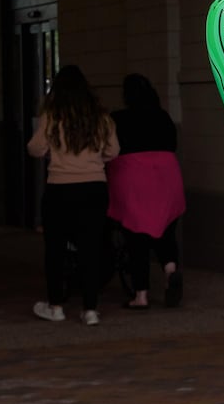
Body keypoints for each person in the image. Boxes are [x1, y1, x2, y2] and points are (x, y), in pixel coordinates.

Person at [27, 65, 119, 327]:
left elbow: (35, 147)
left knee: (54, 249)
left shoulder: (52, 116)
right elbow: (114, 150)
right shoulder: (100, 117)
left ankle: (56, 305)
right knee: (91, 248)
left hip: (60, 188)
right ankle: (90, 309)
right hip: (94, 188)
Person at [108, 73, 186, 309]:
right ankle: (170, 269)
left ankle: (141, 295)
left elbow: (111, 149)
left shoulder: (118, 119)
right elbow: (172, 145)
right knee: (165, 230)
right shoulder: (163, 117)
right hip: (166, 177)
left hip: (132, 178)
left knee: (136, 237)